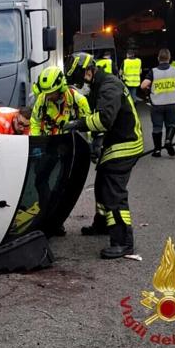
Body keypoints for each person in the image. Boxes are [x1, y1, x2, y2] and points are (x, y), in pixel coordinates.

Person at [63, 52, 143, 258]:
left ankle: (123, 241)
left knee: (112, 192)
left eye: (81, 81)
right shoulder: (98, 86)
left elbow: (104, 119)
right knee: (100, 185)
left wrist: (77, 125)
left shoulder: (109, 86)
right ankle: (102, 224)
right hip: (115, 140)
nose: (81, 86)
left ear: (89, 72)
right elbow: (93, 113)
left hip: (126, 143)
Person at [30, 66, 91, 236]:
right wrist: (36, 144)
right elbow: (35, 121)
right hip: (49, 146)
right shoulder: (42, 99)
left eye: (52, 93)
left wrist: (91, 146)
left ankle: (57, 222)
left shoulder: (77, 100)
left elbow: (89, 124)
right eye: (47, 93)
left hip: (69, 148)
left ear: (61, 87)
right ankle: (46, 217)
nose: (49, 96)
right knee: (40, 180)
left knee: (63, 185)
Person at [140, 49, 175, 157]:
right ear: (169, 58)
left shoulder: (153, 71)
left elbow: (143, 85)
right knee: (171, 124)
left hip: (157, 105)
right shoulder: (174, 70)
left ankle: (157, 150)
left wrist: (150, 89)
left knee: (157, 127)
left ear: (158, 59)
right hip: (171, 103)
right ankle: (168, 140)